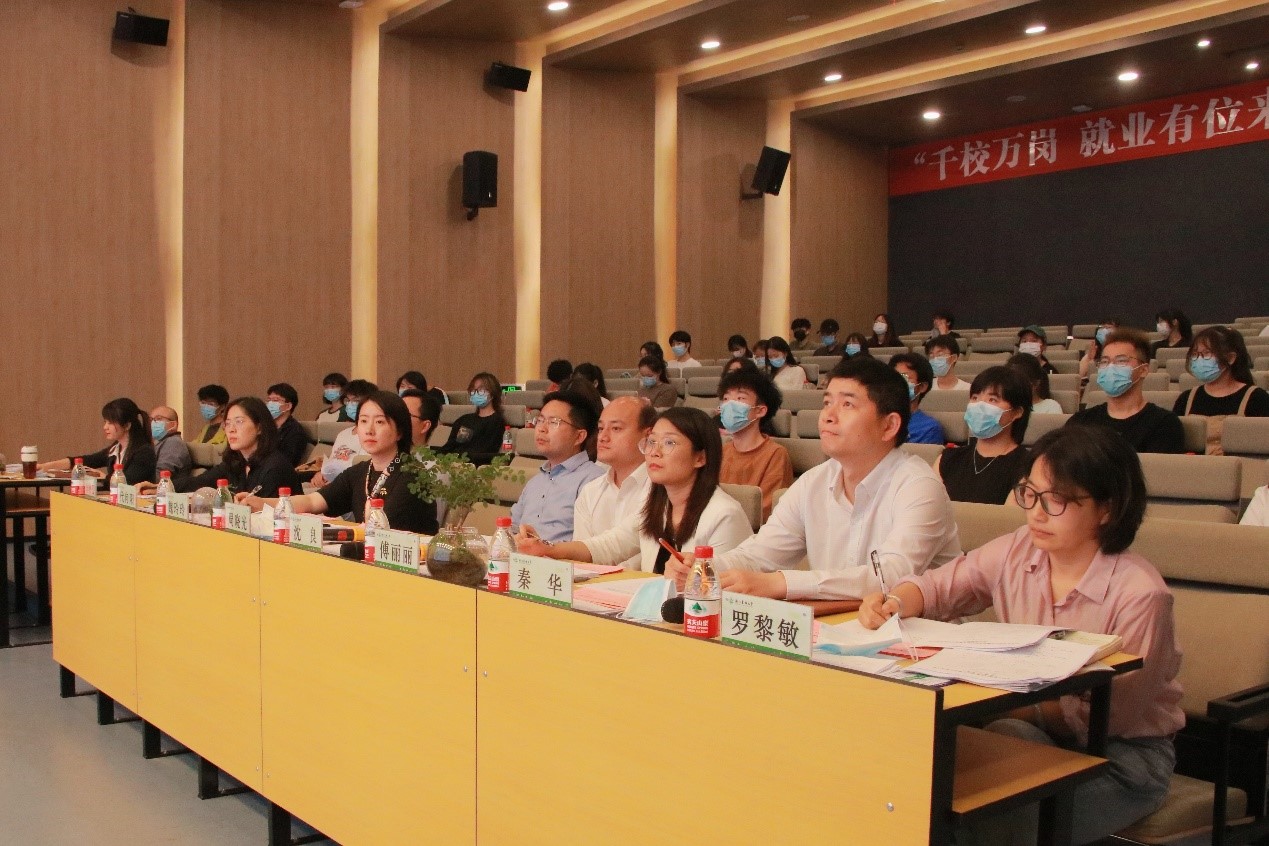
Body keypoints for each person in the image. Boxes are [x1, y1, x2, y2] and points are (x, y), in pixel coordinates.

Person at [858, 426, 1183, 845]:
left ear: (1107, 508)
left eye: (1056, 500)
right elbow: (939, 587)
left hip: (1123, 757)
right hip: (1027, 730)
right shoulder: (1018, 550)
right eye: (1029, 493)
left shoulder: (1141, 594)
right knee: (916, 785)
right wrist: (894, 602)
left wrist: (1004, 705)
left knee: (986, 816)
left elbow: (1110, 716)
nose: (1036, 513)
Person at [668, 358, 960, 600]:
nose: (828, 416)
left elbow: (889, 577)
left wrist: (782, 583)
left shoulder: (919, 487)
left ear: (889, 425)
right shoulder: (814, 482)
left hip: (920, 636)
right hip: (839, 629)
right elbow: (761, 554)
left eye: (847, 405)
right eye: (827, 402)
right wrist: (706, 566)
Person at [516, 407, 752, 572]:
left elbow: (721, 590)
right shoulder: (657, 504)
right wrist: (548, 548)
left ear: (700, 457)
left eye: (669, 443)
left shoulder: (724, 514)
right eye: (652, 442)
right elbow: (609, 545)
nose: (654, 452)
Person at [241, 391, 438, 538]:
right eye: (363, 421)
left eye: (380, 422)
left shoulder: (413, 475)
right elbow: (312, 501)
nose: (369, 430)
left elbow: (382, 528)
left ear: (400, 431)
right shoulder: (360, 472)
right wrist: (262, 503)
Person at [570, 397, 656, 568]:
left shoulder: (660, 489)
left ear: (648, 436)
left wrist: (552, 549)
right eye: (601, 428)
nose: (603, 437)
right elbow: (581, 559)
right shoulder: (590, 491)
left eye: (616, 428)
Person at [510, 390, 606, 543]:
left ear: (579, 436)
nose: (542, 428)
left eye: (554, 422)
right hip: (521, 556)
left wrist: (543, 548)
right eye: (540, 420)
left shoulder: (594, 480)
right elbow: (511, 529)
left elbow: (592, 545)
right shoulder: (535, 482)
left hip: (562, 558)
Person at [1067, 329, 1184, 454]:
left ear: (1143, 370)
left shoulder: (1164, 424)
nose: (1110, 367)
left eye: (1121, 361)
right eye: (1105, 362)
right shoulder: (1080, 421)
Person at [165, 397, 302, 497]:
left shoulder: (275, 467)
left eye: (239, 422)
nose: (231, 429)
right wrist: (163, 486)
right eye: (228, 423)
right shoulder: (236, 462)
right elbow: (199, 482)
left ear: (259, 427)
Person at [935, 366, 1032, 504]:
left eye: (992, 400)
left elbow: (1007, 516)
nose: (979, 406)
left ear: (1017, 412)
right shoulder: (947, 459)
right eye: (975, 398)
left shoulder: (1028, 467)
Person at [1173, 326, 1269, 453]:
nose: (1199, 360)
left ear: (1230, 358)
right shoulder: (1186, 399)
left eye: (1206, 353)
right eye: (1195, 354)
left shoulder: (1257, 398)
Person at [717, 368, 793, 520]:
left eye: (740, 398)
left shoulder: (775, 454)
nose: (730, 404)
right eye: (726, 398)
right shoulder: (721, 451)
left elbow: (765, 510)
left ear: (760, 410)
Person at [40, 398, 157, 485]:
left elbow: (127, 482)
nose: (105, 427)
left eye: (110, 423)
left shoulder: (144, 452)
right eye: (105, 422)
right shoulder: (116, 448)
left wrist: (103, 477)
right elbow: (86, 460)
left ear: (127, 425)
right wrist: (45, 467)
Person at [305, 379, 378, 484]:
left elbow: (364, 468)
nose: (350, 405)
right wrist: (321, 474)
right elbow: (331, 464)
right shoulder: (343, 434)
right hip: (331, 483)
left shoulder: (372, 434)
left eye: (355, 401)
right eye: (347, 401)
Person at [435, 372, 508, 465]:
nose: (476, 393)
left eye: (481, 390)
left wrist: (458, 459)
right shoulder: (464, 419)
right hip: (452, 464)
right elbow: (449, 446)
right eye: (473, 390)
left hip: (472, 466)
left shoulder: (496, 422)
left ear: (492, 393)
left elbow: (486, 452)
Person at [890, 353, 945, 445]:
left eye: (904, 377)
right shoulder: (877, 418)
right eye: (894, 377)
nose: (897, 383)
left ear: (922, 387)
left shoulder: (929, 428)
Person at [266, 383, 307, 466]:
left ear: (288, 406)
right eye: (269, 400)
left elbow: (285, 462)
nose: (270, 404)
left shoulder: (295, 432)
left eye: (275, 400)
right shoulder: (265, 427)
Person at [149, 405, 193, 480]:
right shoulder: (159, 442)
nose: (153, 423)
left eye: (158, 419)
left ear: (173, 424)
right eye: (151, 420)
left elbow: (161, 476)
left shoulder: (174, 443)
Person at [1077, 320, 1119, 386]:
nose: (1105, 330)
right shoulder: (1092, 352)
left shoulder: (1123, 351)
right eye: (1103, 327)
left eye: (1109, 327)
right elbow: (1079, 378)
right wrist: (1089, 359)